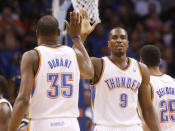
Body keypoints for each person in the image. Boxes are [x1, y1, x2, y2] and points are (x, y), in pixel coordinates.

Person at [8, 11, 94, 131]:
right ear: (59, 33)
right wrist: (77, 38)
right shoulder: (74, 53)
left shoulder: (32, 56)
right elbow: (90, 73)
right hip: (71, 124)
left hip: (43, 124)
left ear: (37, 33)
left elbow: (23, 99)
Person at [79, 9, 160, 131]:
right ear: (109, 44)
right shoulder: (98, 64)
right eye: (114, 38)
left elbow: (147, 109)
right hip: (105, 127)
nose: (119, 40)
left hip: (133, 127)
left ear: (127, 43)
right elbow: (76, 64)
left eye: (122, 38)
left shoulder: (141, 69)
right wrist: (80, 38)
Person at [140, 45, 175, 131]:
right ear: (159, 61)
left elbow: (145, 121)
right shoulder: (173, 81)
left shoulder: (145, 85)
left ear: (141, 62)